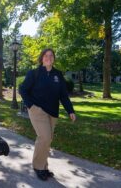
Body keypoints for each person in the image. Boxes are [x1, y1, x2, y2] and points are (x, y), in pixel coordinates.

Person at [19, 48, 76, 181]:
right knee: (44, 137)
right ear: (41, 58)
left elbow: (63, 95)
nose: (48, 57)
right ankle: (38, 167)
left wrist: (70, 110)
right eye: (46, 55)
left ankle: (43, 166)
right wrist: (30, 106)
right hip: (37, 110)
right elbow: (22, 89)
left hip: (53, 112)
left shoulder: (58, 75)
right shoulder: (34, 73)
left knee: (47, 139)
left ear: (54, 58)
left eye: (51, 56)